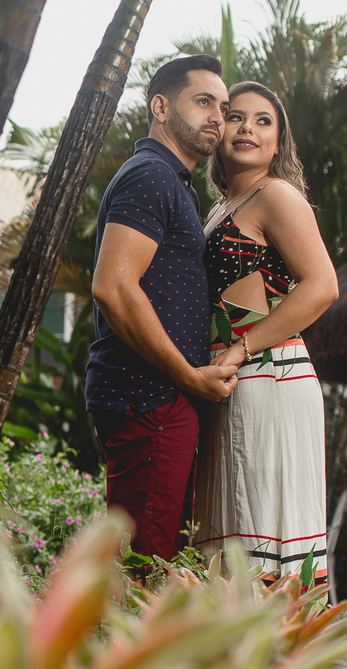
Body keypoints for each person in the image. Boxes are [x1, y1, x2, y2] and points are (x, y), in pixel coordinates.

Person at [86, 55, 238, 562]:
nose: (217, 116)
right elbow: (112, 286)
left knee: (157, 557)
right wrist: (188, 377)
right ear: (160, 106)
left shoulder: (173, 182)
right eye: (203, 102)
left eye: (223, 106)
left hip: (156, 397)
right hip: (147, 396)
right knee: (143, 567)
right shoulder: (150, 175)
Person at [192, 81, 338, 585]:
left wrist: (242, 346)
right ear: (219, 130)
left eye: (263, 121)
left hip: (270, 381)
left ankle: (280, 655)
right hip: (229, 382)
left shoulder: (276, 195)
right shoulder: (220, 207)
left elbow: (322, 286)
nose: (247, 128)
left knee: (263, 526)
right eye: (236, 117)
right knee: (231, 526)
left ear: (279, 143)